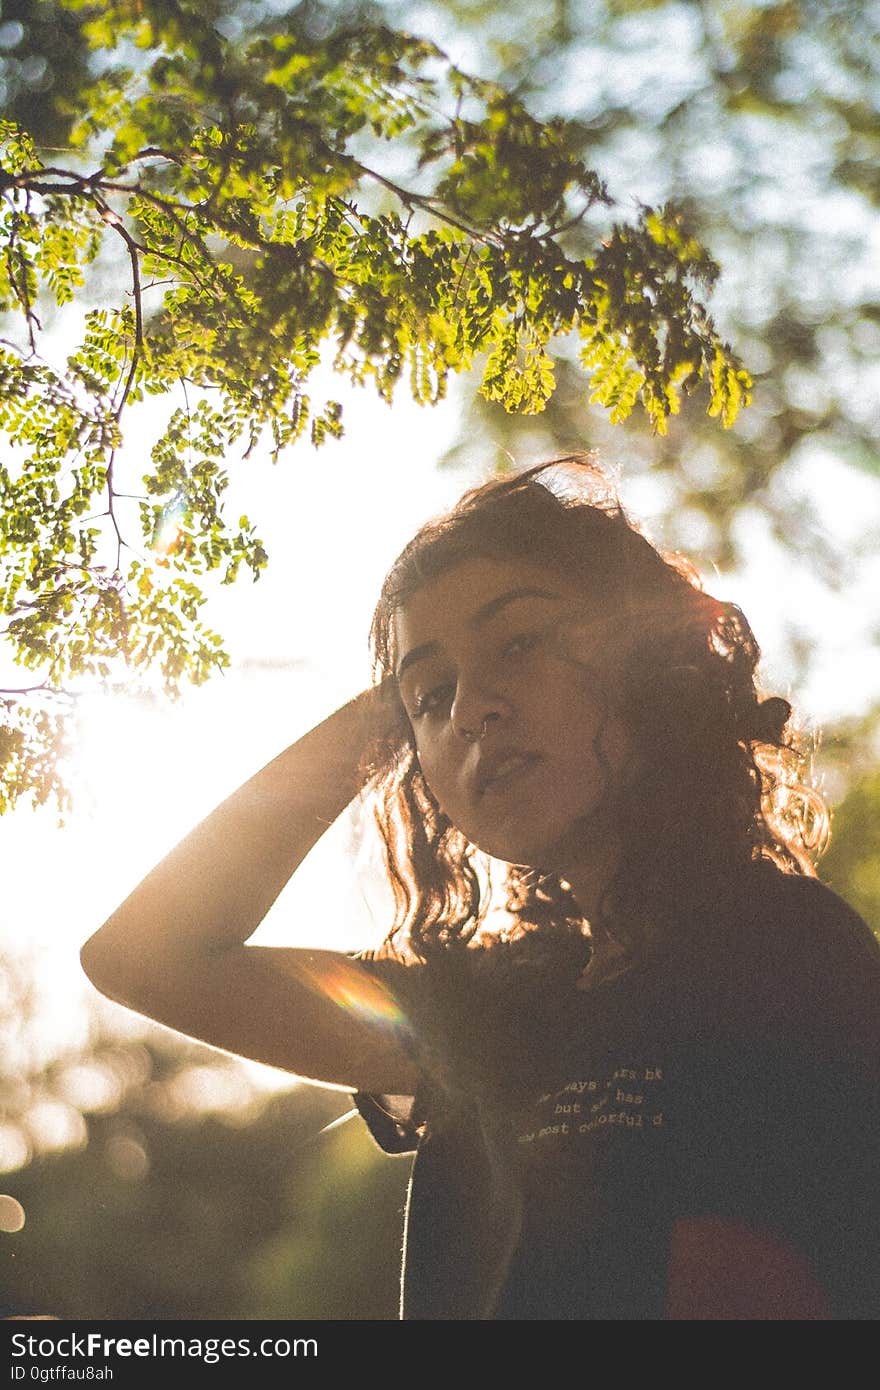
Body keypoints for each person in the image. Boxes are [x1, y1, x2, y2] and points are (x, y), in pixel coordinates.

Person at [81, 456, 880, 1320]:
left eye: (521, 643)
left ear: (652, 663)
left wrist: (427, 684)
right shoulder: (476, 1007)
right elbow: (145, 958)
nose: (472, 709)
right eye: (432, 695)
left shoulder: (780, 946)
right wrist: (381, 715)